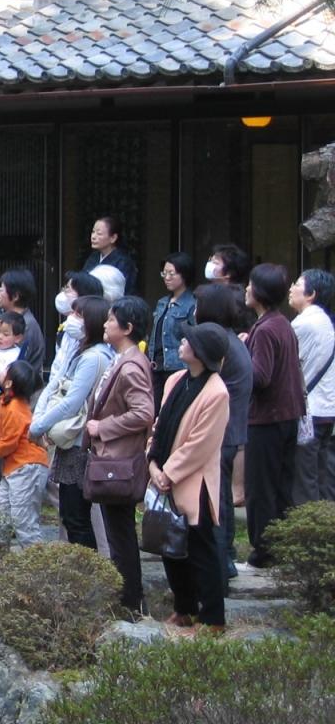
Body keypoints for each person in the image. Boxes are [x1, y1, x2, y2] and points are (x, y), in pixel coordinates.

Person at [150, 323, 232, 634]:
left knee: (201, 549)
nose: (182, 342)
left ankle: (212, 619)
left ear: (201, 353)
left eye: (189, 340)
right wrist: (152, 463)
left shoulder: (217, 392)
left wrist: (167, 473)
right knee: (169, 546)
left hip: (193, 482)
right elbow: (159, 426)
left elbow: (200, 445)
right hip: (165, 477)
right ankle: (184, 608)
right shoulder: (175, 380)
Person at [86, 296, 155, 615]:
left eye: (111, 320)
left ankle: (130, 600)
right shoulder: (123, 359)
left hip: (119, 460)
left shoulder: (130, 366)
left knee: (121, 533)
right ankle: (128, 598)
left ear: (127, 328)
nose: (105, 324)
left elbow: (143, 413)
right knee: (118, 531)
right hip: (115, 458)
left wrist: (103, 427)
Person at [31, 296, 114, 548]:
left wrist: (38, 426)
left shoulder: (93, 357)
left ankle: (87, 567)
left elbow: (72, 402)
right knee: (72, 515)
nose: (71, 320)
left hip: (79, 444)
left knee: (76, 517)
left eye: (78, 315)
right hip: (73, 441)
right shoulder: (83, 352)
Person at [243, 263, 305, 567]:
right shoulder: (282, 323)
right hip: (287, 415)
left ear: (260, 292)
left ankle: (264, 550)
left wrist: (239, 357)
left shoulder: (266, 329)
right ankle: (281, 546)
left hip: (267, 418)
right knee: (281, 487)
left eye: (250, 284)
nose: (246, 289)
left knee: (260, 488)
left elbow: (260, 377)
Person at [193, 283, 253, 582]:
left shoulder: (220, 344)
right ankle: (225, 558)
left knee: (215, 505)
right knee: (222, 502)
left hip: (221, 433)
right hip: (231, 433)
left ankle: (219, 567)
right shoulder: (229, 340)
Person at [0, 360, 49, 548]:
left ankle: (41, 563)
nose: (2, 370)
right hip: (15, 468)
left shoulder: (14, 408)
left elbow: (9, 444)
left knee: (24, 524)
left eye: (6, 369)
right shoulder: (10, 402)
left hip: (27, 467)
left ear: (9, 382)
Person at [289, 268, 335, 504]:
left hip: (310, 412)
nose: (291, 288)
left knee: (305, 477)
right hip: (326, 409)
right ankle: (325, 520)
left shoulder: (304, 323)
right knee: (322, 474)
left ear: (311, 294)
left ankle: (308, 524)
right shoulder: (325, 321)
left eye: (297, 284)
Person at [150, 252, 197, 408]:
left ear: (184, 274)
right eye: (164, 273)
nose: (167, 278)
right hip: (156, 366)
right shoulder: (162, 302)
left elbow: (194, 336)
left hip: (178, 366)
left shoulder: (192, 304)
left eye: (172, 273)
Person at [0, 268, 45, 372]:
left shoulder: (26, 326)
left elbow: (15, 366)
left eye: (1, 290)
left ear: (15, 296)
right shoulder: (12, 319)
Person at [82, 216, 139, 295]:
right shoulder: (93, 257)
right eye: (93, 232)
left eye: (99, 234)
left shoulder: (123, 262)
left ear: (113, 238)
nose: (93, 237)